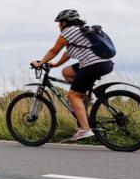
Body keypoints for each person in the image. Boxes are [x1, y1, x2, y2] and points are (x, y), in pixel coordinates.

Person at [31, 9, 114, 141]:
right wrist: (55, 65)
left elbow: (54, 50)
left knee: (72, 95)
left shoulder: (68, 31)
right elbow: (67, 53)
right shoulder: (80, 31)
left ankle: (85, 130)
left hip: (92, 65)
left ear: (65, 23)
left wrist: (40, 63)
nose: (58, 26)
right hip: (105, 63)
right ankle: (85, 98)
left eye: (59, 23)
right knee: (67, 72)